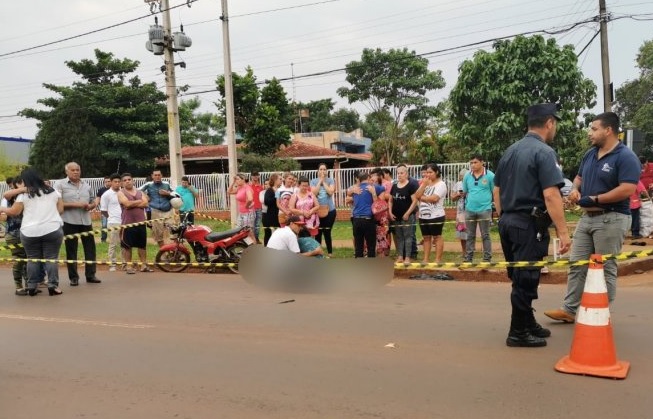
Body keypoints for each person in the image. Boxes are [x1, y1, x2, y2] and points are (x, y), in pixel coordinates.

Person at [544, 112, 640, 323]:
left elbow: (627, 189)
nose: (590, 133)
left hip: (612, 217)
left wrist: (596, 199)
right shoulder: (590, 154)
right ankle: (569, 310)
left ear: (609, 130)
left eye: (594, 129)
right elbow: (579, 177)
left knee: (605, 267)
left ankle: (601, 312)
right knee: (577, 263)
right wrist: (575, 190)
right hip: (587, 217)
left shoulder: (625, 157)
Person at [493, 103, 571, 348]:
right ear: (549, 123)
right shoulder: (544, 152)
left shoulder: (510, 151)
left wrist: (505, 216)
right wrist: (563, 232)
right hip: (527, 224)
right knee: (526, 278)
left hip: (508, 222)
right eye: (555, 124)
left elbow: (497, 190)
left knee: (521, 277)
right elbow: (551, 195)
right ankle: (518, 332)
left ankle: (526, 322)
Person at [0, 168, 65, 296]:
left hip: (29, 231)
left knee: (32, 259)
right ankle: (53, 286)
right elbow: (61, 209)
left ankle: (31, 286)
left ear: (25, 180)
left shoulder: (24, 195)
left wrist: (2, 208)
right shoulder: (53, 191)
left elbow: (14, 212)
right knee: (51, 258)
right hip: (52, 229)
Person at [55, 162, 101, 286]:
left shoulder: (86, 185)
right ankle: (73, 277)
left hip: (86, 221)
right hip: (69, 221)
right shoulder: (60, 184)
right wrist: (76, 205)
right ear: (66, 171)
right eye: (73, 170)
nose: (76, 172)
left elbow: (92, 200)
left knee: (90, 249)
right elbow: (57, 203)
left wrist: (92, 205)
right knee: (71, 250)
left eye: (78, 170)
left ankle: (91, 275)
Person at [462, 154, 495, 263]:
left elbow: (494, 191)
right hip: (469, 209)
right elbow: (465, 192)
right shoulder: (467, 176)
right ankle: (468, 258)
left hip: (485, 209)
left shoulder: (490, 175)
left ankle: (487, 258)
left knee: (485, 235)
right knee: (470, 235)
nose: (473, 165)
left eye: (475, 162)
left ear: (482, 162)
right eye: (471, 163)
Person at [117, 173, 151, 274]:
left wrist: (132, 204)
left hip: (141, 222)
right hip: (128, 223)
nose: (127, 181)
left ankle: (144, 265)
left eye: (129, 179)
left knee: (142, 246)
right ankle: (129, 266)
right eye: (125, 180)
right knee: (127, 246)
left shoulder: (140, 192)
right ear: (122, 183)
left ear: (133, 181)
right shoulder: (120, 193)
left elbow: (146, 203)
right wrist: (139, 202)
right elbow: (126, 204)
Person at [414, 163, 447, 265]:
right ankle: (425, 259)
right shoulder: (425, 183)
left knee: (437, 237)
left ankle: (437, 259)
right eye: (427, 172)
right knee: (426, 237)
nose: (428, 175)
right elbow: (416, 195)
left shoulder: (441, 184)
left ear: (436, 172)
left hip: (436, 215)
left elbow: (434, 198)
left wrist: (422, 198)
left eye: (430, 172)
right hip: (423, 215)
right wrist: (424, 185)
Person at [348, 172, 385, 258]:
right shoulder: (372, 187)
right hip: (368, 219)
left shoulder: (355, 188)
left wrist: (351, 191)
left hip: (356, 219)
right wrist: (374, 192)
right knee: (371, 246)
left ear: (359, 180)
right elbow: (383, 188)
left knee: (358, 246)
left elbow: (348, 194)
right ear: (368, 179)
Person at [2, 176, 29, 295]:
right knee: (19, 260)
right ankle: (18, 286)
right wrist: (22, 189)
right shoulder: (11, 196)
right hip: (13, 233)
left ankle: (29, 285)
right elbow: (6, 195)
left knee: (29, 260)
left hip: (28, 232)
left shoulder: (29, 195)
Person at [388, 164, 418, 264]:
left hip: (407, 216)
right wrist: (390, 212)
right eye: (398, 173)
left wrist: (408, 213)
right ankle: (400, 256)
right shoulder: (394, 186)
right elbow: (390, 201)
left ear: (406, 174)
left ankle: (408, 257)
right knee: (399, 236)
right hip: (396, 216)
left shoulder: (411, 186)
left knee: (408, 236)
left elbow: (415, 201)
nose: (399, 175)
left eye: (401, 173)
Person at [140, 169, 173, 247]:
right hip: (155, 211)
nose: (157, 177)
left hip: (168, 211)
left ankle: (175, 250)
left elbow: (175, 193)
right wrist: (145, 196)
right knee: (158, 234)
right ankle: (163, 252)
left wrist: (167, 193)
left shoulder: (166, 184)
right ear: (152, 176)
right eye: (155, 175)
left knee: (174, 230)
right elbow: (137, 191)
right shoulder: (148, 184)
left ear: (161, 176)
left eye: (159, 175)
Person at [311, 163, 337, 257]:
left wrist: (324, 182)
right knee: (318, 233)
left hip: (330, 211)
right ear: (317, 171)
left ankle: (330, 252)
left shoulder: (331, 180)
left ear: (327, 171)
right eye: (321, 169)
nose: (323, 171)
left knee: (327, 231)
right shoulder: (313, 181)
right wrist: (320, 182)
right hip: (317, 211)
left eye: (324, 169)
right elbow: (314, 193)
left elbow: (330, 192)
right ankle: (318, 252)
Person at [99, 173, 123, 272]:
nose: (117, 183)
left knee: (124, 244)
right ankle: (112, 264)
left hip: (125, 222)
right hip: (113, 222)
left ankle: (125, 263)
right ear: (111, 182)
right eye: (115, 182)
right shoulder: (106, 195)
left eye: (118, 182)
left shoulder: (123, 192)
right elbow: (103, 210)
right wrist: (111, 218)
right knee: (113, 244)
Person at [228, 173, 256, 243]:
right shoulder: (239, 188)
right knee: (239, 231)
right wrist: (233, 182)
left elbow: (250, 199)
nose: (236, 181)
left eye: (237, 179)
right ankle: (248, 246)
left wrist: (246, 206)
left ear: (243, 179)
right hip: (241, 213)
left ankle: (254, 247)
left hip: (248, 213)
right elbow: (229, 191)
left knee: (249, 233)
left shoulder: (247, 188)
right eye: (236, 179)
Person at [451, 169, 469, 254]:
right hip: (461, 212)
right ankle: (464, 251)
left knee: (470, 232)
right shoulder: (458, 184)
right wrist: (458, 195)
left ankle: (470, 250)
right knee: (462, 232)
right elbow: (452, 198)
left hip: (471, 209)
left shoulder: (471, 183)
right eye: (462, 176)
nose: (463, 177)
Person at [262, 174, 281, 246]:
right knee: (268, 234)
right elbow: (266, 202)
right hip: (270, 216)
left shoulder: (279, 190)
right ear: (275, 180)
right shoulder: (270, 190)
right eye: (280, 179)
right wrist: (276, 196)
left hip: (278, 215)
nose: (281, 180)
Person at [249, 172, 264, 243]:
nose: (255, 177)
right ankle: (251, 239)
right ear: (251, 176)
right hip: (251, 209)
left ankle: (256, 238)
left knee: (257, 224)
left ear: (258, 176)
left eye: (256, 175)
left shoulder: (261, 187)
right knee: (251, 224)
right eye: (253, 175)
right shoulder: (248, 186)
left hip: (259, 208)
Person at [95, 176, 111, 243]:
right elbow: (98, 198)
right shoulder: (101, 190)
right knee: (104, 225)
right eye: (106, 182)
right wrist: (95, 206)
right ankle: (103, 240)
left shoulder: (114, 189)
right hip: (104, 211)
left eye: (109, 181)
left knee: (116, 225)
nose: (107, 183)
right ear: (104, 182)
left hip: (114, 211)